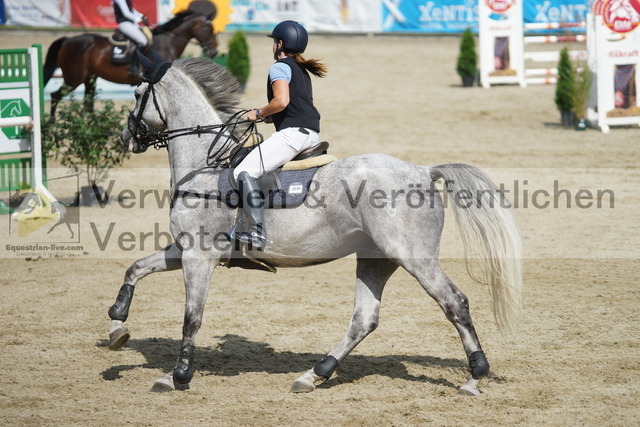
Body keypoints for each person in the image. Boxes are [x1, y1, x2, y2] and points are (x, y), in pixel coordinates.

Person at [233, 20, 327, 250]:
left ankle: (256, 232)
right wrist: (271, 117)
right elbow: (305, 106)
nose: (273, 45)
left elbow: (281, 101)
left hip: (293, 135)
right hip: (310, 134)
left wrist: (257, 113)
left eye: (275, 41)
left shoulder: (279, 67)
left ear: (280, 44)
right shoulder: (303, 71)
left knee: (243, 171)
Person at [113, 0, 149, 75]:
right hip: (124, 23)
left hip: (131, 23)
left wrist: (141, 16)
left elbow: (131, 10)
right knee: (143, 41)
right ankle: (133, 67)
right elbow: (126, 13)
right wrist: (138, 19)